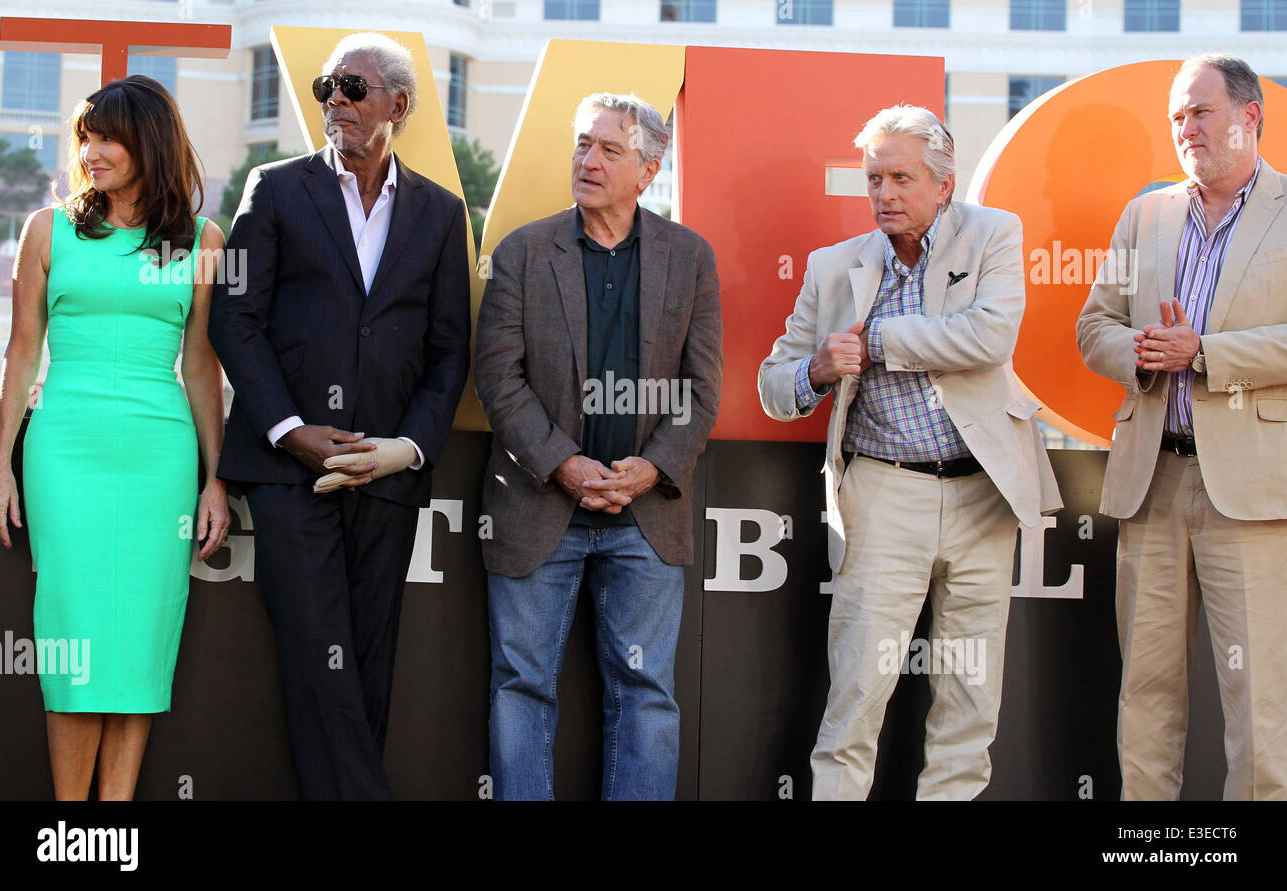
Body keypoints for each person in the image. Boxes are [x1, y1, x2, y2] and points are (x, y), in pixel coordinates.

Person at [759, 105, 1061, 800]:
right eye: (874, 179)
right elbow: (775, 381)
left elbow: (988, 338)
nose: (885, 193)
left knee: (970, 696)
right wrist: (816, 371)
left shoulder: (995, 234)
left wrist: (877, 342)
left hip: (985, 490)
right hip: (884, 491)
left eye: (901, 176)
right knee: (858, 689)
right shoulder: (833, 267)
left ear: (944, 181)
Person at [208, 32, 470, 800]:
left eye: (352, 88)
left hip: (385, 476)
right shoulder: (275, 187)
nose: (335, 101)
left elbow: (450, 348)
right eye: (327, 87)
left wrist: (406, 448)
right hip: (291, 474)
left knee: (366, 666)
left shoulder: (441, 211)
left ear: (399, 104)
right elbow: (234, 319)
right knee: (318, 653)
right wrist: (290, 431)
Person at [0, 75, 229, 800]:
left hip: (161, 461)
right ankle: (72, 824)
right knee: (76, 640)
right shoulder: (47, 229)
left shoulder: (203, 240)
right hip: (65, 452)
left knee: (138, 646)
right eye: (84, 137)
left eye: (108, 138)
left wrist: (214, 477)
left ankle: (114, 823)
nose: (90, 152)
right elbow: (21, 352)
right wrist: (0, 463)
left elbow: (201, 364)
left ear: (148, 142)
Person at [474, 92, 722, 800]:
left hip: (647, 515)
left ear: (648, 169)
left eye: (610, 149)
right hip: (534, 506)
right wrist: (563, 464)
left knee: (646, 692)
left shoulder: (689, 257)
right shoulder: (523, 251)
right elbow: (498, 377)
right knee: (522, 685)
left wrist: (652, 469)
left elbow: (703, 389)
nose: (588, 161)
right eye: (583, 144)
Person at [1077, 54, 1287, 801]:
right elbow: (1094, 322)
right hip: (1153, 480)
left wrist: (1206, 353)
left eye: (1200, 112)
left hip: (1253, 494)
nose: (1185, 128)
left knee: (1259, 703)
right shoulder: (1148, 213)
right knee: (1147, 694)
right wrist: (1140, 353)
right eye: (1176, 116)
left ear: (1250, 115)